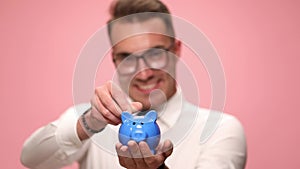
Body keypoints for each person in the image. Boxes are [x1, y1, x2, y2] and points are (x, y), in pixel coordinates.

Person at [21, 0, 247, 168]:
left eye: (155, 54)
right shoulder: (91, 119)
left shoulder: (220, 129)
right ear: (114, 59)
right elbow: (31, 159)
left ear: (177, 50)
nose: (144, 72)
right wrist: (88, 124)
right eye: (127, 57)